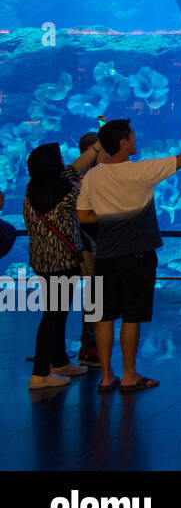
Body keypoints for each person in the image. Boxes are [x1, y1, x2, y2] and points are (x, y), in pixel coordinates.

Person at [77, 108, 181, 394]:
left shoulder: (94, 177)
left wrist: (109, 216)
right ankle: (130, 375)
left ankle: (106, 376)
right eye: (132, 136)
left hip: (105, 255)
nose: (136, 139)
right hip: (138, 255)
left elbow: (83, 216)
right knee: (132, 316)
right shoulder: (142, 170)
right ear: (123, 142)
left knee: (104, 316)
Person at [23, 140, 101, 389]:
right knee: (53, 316)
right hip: (62, 262)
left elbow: (74, 168)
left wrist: (98, 146)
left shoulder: (34, 188)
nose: (63, 162)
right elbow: (90, 206)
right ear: (52, 165)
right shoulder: (66, 194)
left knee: (57, 312)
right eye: (59, 159)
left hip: (42, 260)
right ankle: (40, 373)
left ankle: (58, 362)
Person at [72, 131, 104, 368]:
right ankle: (89, 344)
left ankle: (84, 344)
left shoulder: (76, 176)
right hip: (87, 244)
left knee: (92, 296)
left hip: (84, 243)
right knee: (93, 295)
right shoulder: (83, 178)